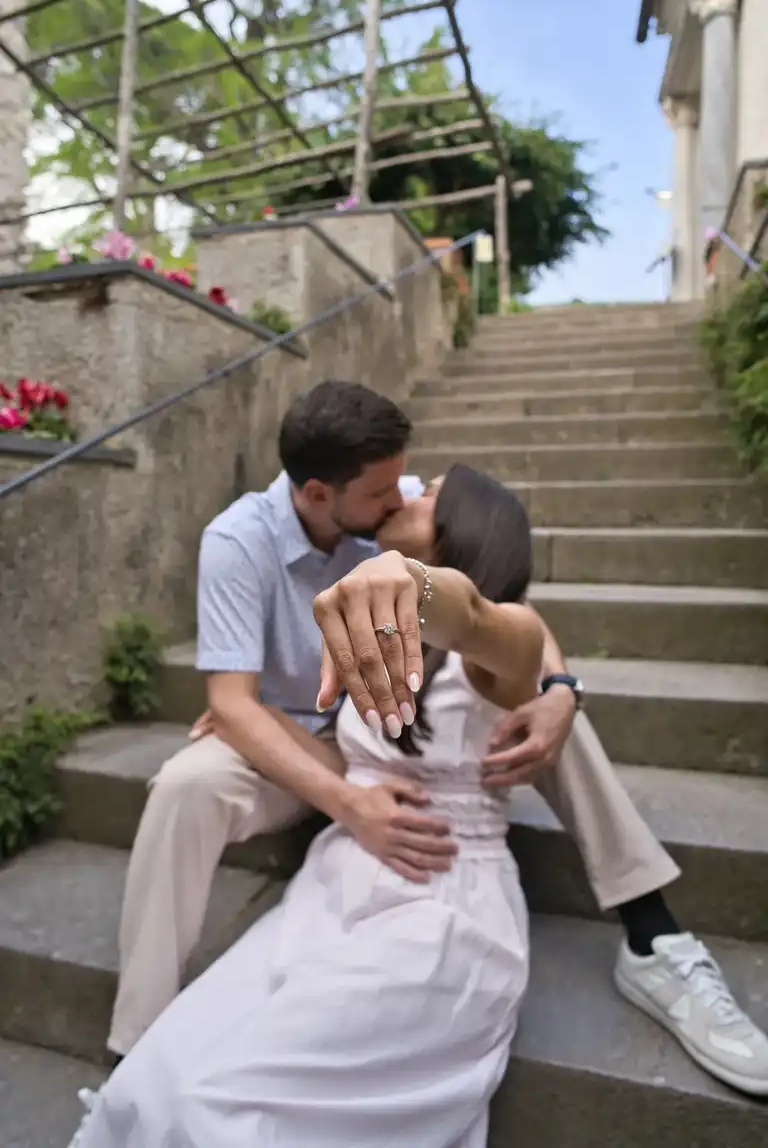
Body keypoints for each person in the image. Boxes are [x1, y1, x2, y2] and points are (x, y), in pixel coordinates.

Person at [104, 380, 768, 1097]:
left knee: (545, 715)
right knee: (186, 784)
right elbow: (231, 706)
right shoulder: (240, 541)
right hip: (297, 734)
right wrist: (349, 804)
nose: (403, 497)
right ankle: (136, 1039)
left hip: (396, 719)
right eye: (385, 494)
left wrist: (561, 688)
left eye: (408, 485)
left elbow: (498, 599)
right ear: (321, 495)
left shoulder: (388, 498)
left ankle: (653, 932)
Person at [71, 468, 543, 1148]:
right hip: (334, 883)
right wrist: (251, 716)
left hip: (440, 901)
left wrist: (417, 583)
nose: (410, 492)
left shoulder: (509, 639)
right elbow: (359, 763)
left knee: (223, 1107)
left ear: (470, 526)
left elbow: (475, 619)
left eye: (432, 491)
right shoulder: (371, 623)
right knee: (159, 1078)